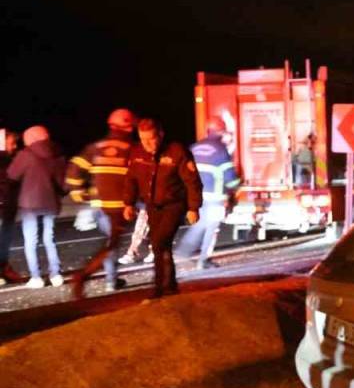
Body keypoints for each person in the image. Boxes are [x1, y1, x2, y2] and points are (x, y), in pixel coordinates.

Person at [122, 119, 201, 298]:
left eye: (151, 139)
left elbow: (192, 181)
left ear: (161, 135)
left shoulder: (177, 152)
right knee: (161, 246)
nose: (147, 144)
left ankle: (161, 286)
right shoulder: (137, 153)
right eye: (143, 139)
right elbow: (131, 180)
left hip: (174, 205)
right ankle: (168, 286)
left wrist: (193, 207)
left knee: (159, 242)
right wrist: (128, 203)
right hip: (152, 206)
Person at [67, 108, 137, 296]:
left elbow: (74, 169)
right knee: (111, 245)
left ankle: (111, 280)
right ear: (130, 127)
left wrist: (78, 194)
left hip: (98, 206)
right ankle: (86, 277)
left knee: (110, 243)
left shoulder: (96, 147)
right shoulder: (132, 149)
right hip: (118, 208)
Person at [6, 126, 68, 289]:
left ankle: (36, 277)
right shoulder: (58, 155)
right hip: (51, 203)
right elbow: (63, 183)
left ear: (31, 139)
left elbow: (12, 175)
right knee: (50, 238)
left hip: (29, 203)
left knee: (31, 241)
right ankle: (56, 275)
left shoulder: (25, 155)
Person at [177, 119, 240, 269]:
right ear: (221, 133)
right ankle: (196, 258)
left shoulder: (194, 147)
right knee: (210, 228)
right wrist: (237, 185)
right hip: (214, 198)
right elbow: (229, 178)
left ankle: (187, 255)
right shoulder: (220, 149)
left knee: (200, 224)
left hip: (195, 196)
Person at [0, 129, 21, 286]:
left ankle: (4, 270)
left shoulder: (9, 159)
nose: (14, 146)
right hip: (3, 205)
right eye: (12, 143)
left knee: (4, 241)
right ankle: (4, 270)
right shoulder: (4, 160)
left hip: (8, 206)